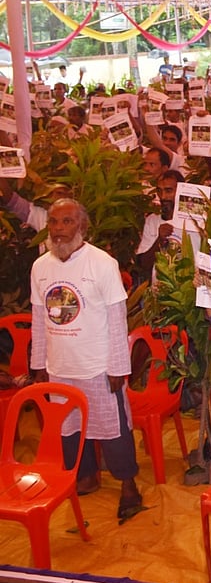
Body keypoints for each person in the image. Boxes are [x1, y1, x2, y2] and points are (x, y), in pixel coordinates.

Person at [29, 199, 144, 520]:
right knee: (70, 428)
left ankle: (128, 486)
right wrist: (39, 364)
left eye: (67, 222)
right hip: (60, 367)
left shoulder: (102, 263)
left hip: (98, 367)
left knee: (113, 429)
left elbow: (117, 319)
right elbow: (39, 318)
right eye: (53, 222)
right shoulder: (40, 267)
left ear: (82, 227)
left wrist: (118, 367)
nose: (58, 230)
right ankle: (87, 476)